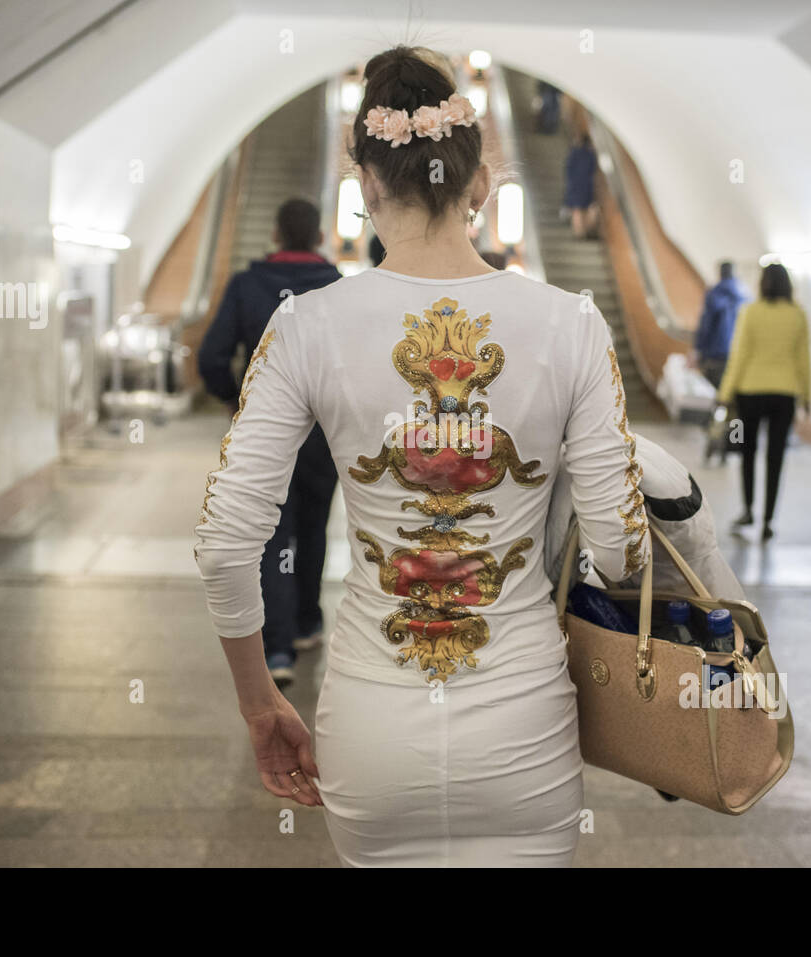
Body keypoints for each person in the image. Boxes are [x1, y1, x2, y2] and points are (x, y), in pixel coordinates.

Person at [194, 45, 650, 866]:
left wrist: (262, 704)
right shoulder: (573, 323)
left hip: (370, 732)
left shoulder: (306, 324)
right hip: (526, 728)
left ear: (367, 184)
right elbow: (620, 548)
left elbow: (227, 542)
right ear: (479, 183)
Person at [196, 198, 342, 688]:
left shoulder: (245, 285)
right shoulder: (339, 288)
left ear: (276, 236)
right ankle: (306, 621)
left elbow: (213, 356)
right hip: (323, 434)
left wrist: (237, 400)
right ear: (319, 237)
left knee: (270, 535)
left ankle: (277, 648)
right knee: (315, 524)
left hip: (264, 430)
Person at [716, 262, 811, 540]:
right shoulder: (798, 315)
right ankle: (769, 520)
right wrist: (807, 395)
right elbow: (803, 358)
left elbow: (740, 354)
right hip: (784, 394)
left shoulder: (751, 312)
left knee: (748, 453)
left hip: (751, 392)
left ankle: (748, 510)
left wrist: (725, 393)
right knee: (776, 456)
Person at [693, 261, 747, 390]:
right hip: (737, 354)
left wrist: (698, 349)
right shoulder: (745, 297)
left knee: (712, 393)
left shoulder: (714, 294)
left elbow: (706, 325)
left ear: (720, 273)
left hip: (715, 355)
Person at [563, 132, 599, 239]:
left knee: (577, 210)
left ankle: (579, 232)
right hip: (587, 186)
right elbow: (592, 169)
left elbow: (568, 170)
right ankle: (586, 231)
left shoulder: (574, 153)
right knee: (585, 209)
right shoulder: (590, 154)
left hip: (575, 186)